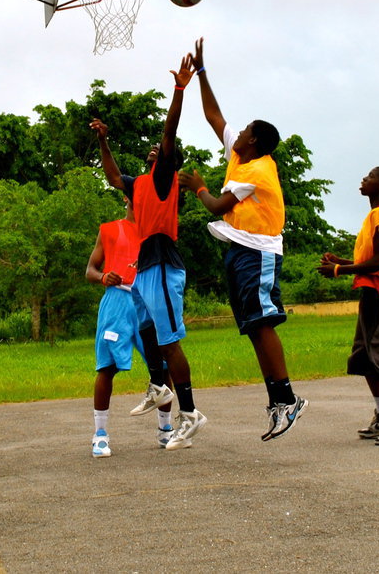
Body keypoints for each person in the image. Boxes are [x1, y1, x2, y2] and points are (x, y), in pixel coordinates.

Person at [180, 37, 307, 441]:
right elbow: (214, 115)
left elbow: (217, 206)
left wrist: (198, 187)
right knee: (253, 326)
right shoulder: (241, 154)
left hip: (259, 252)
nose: (239, 131)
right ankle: (277, 402)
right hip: (240, 250)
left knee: (264, 323)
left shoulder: (257, 172)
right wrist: (201, 73)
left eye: (246, 129)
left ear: (253, 141)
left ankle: (288, 398)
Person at [91, 54, 204, 451]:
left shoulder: (163, 180)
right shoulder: (138, 184)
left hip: (163, 263)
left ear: (169, 162)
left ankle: (189, 414)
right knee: (146, 330)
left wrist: (178, 90)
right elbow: (110, 174)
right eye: (154, 149)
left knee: (169, 340)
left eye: (163, 150)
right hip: (145, 268)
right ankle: (158, 385)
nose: (158, 149)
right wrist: (103, 139)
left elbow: (169, 132)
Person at [318, 167, 379, 444]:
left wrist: (339, 270)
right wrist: (342, 261)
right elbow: (373, 261)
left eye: (371, 176)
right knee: (366, 357)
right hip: (373, 292)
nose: (364, 179)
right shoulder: (378, 215)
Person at [85, 197, 174, 457]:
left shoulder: (155, 233)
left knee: (163, 366)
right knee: (107, 367)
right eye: (135, 192)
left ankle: (165, 429)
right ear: (126, 196)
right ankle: (100, 435)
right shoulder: (110, 229)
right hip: (118, 302)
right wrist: (103, 276)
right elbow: (90, 269)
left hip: (149, 299)